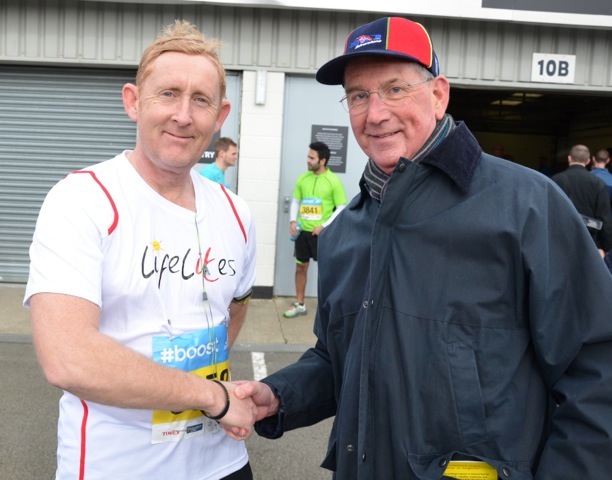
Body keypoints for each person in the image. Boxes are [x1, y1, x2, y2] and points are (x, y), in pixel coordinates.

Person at [232, 16, 612, 479]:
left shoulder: (527, 207)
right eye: (358, 96)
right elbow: (339, 360)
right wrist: (278, 396)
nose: (375, 114)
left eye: (395, 89)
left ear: (438, 94)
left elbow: (596, 373)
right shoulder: (345, 231)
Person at [24, 20, 258, 480]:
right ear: (134, 101)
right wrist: (210, 396)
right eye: (168, 94)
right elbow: (68, 356)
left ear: (221, 115)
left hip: (222, 463)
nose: (184, 116)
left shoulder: (236, 213)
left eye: (201, 100)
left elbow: (237, 303)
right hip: (117, 466)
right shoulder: (83, 199)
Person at [283, 141, 347, 318]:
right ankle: (300, 304)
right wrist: (293, 221)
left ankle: (329, 308)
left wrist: (324, 226)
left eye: (312, 158)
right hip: (303, 233)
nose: (308, 160)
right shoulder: (303, 178)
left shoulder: (333, 181)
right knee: (301, 267)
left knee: (327, 272)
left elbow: (342, 206)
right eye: (308, 157)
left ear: (323, 160)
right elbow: (296, 201)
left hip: (323, 235)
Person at [551, 144, 612, 259]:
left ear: (569, 158)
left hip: (560, 239)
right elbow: (605, 217)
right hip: (589, 240)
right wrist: (606, 246)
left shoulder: (556, 180)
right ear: (588, 161)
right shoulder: (598, 183)